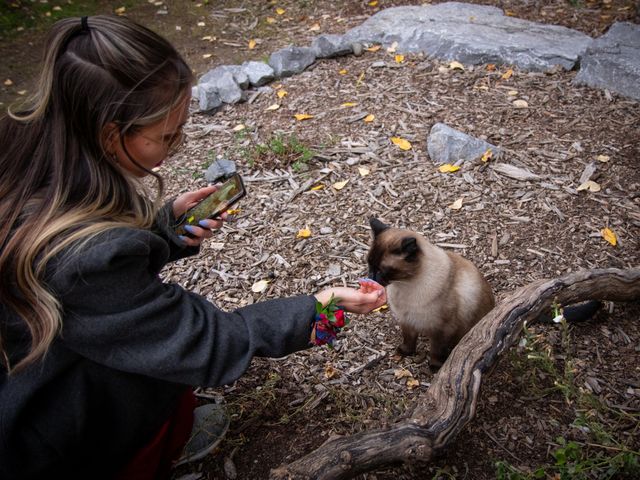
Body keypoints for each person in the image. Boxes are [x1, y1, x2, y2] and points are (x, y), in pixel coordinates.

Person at [0, 15, 386, 480]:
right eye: (165, 136)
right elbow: (205, 345)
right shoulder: (86, 259)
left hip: (43, 357)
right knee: (158, 374)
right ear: (108, 132)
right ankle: (153, 444)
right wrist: (322, 311)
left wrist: (163, 232)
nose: (177, 145)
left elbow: (97, 289)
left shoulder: (30, 156)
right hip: (46, 430)